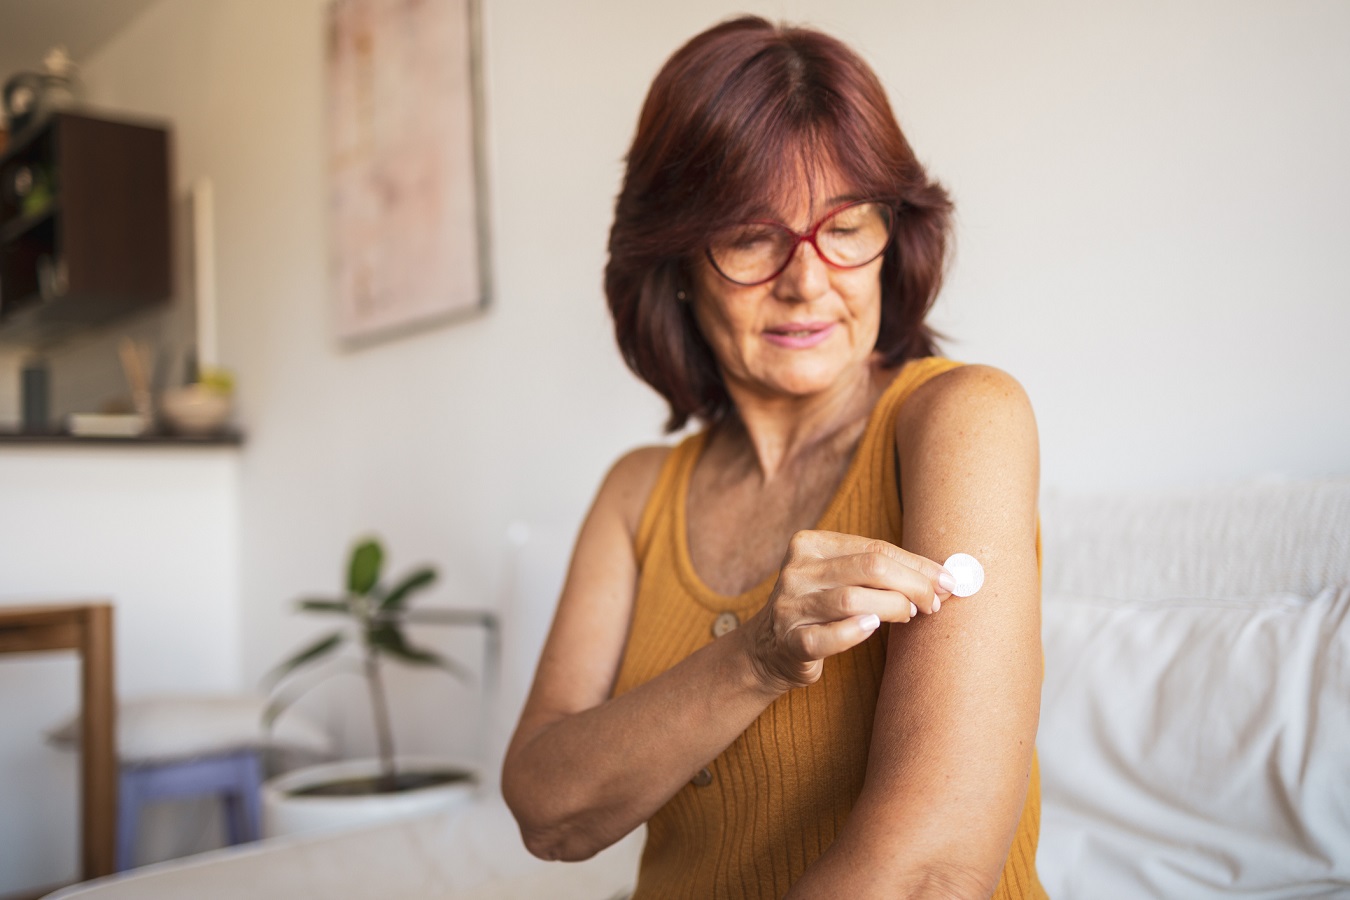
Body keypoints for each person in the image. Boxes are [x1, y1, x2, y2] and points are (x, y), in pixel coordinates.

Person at [502, 15, 1046, 899]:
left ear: (891, 238)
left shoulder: (961, 418)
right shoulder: (635, 494)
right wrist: (755, 657)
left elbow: (928, 872)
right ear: (675, 260)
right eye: (751, 236)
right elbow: (548, 811)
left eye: (846, 225)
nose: (808, 279)